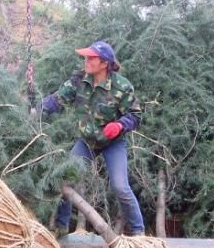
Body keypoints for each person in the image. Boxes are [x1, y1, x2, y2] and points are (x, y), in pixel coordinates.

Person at [40, 40, 145, 237]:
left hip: (113, 143)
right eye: (85, 57)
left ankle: (139, 233)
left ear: (104, 63)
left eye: (91, 58)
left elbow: (136, 116)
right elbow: (56, 100)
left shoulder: (121, 86)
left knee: (121, 186)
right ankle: (61, 227)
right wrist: (36, 109)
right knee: (65, 179)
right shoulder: (79, 81)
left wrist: (120, 125)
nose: (86, 61)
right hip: (86, 142)